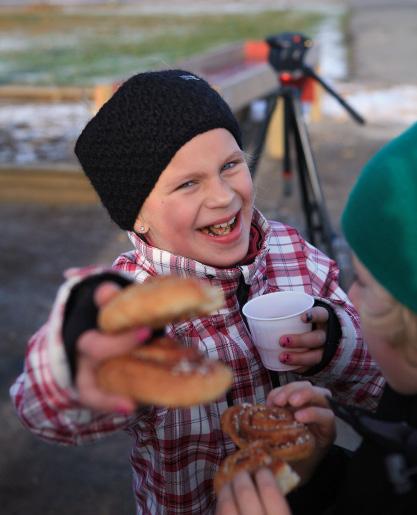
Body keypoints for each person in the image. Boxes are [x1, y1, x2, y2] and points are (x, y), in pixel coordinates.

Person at [10, 69, 382, 514]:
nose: (223, 197)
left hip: (312, 491)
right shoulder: (134, 303)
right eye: (189, 183)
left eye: (230, 165)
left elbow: (381, 381)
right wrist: (75, 365)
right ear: (137, 217)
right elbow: (42, 413)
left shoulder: (289, 252)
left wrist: (334, 345)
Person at [216, 122, 417, 515]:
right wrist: (318, 472)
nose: (351, 297)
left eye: (365, 282)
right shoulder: (402, 418)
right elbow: (371, 490)